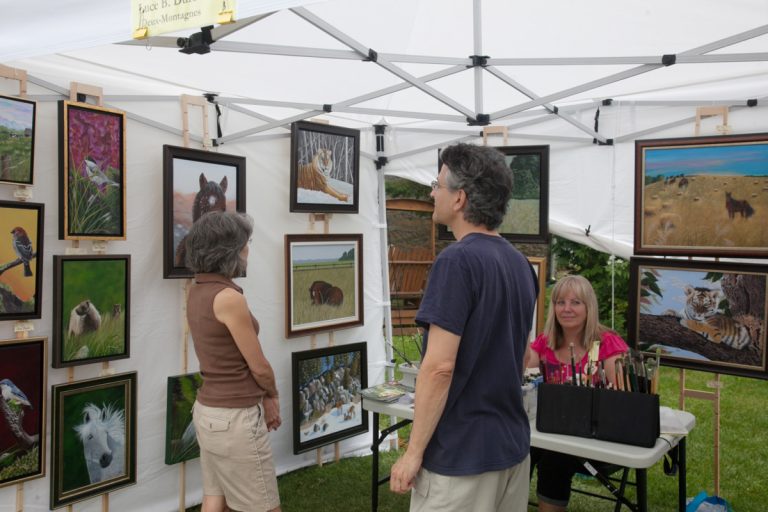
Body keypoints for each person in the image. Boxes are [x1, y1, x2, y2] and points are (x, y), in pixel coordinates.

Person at [390, 143, 539, 511]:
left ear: (460, 198)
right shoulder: (520, 263)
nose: (431, 193)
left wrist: (413, 453)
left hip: (462, 456)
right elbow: (520, 357)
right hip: (510, 447)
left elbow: (440, 367)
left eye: (437, 185)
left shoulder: (456, 261)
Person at [185, 211, 281, 512]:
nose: (248, 251)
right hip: (234, 419)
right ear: (228, 251)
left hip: (207, 413)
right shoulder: (228, 298)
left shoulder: (196, 290)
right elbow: (259, 366)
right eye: (244, 244)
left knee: (216, 500)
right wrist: (272, 395)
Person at [526, 274, 629, 512]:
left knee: (555, 458)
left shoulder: (607, 344)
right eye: (560, 302)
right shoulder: (545, 342)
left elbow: (624, 399)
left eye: (575, 302)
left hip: (595, 440)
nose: (567, 309)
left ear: (588, 307)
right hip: (552, 431)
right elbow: (522, 368)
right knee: (518, 445)